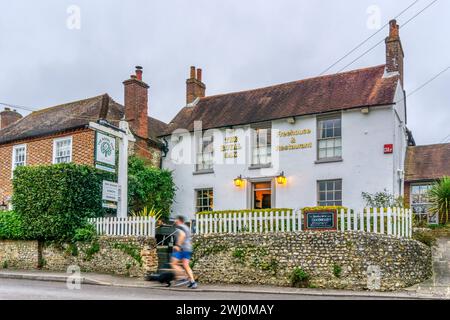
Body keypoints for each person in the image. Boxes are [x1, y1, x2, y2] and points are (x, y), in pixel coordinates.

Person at [171, 215, 197, 289]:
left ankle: (183, 277)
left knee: (174, 263)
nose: (175, 221)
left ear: (179, 220)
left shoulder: (180, 227)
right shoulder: (187, 227)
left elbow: (182, 235)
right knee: (186, 265)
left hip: (182, 248)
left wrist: (178, 245)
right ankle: (192, 282)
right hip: (188, 248)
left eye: (176, 220)